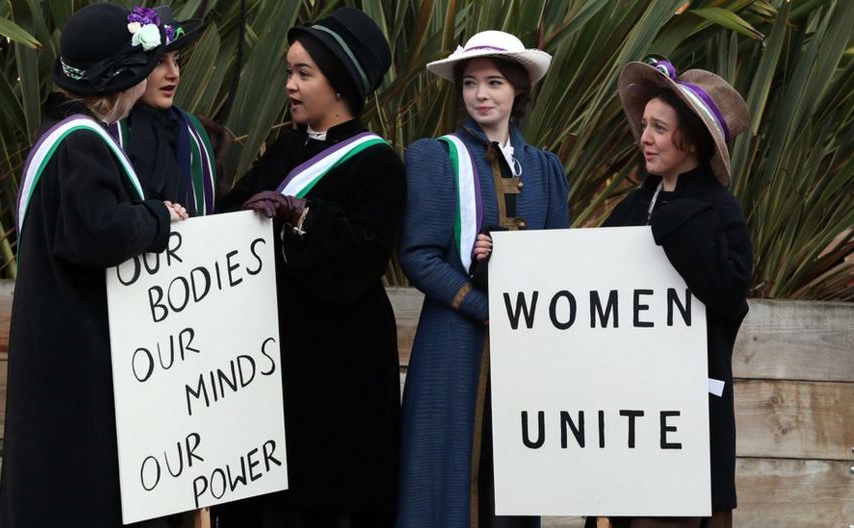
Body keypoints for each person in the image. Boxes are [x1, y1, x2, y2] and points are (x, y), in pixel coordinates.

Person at [210, 7, 404, 527]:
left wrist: (304, 216)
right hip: (276, 366)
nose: (290, 86)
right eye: (288, 73)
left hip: (341, 369)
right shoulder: (286, 149)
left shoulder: (378, 162)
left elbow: (363, 257)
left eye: (304, 74)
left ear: (339, 83)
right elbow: (234, 217)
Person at [0, 4, 188, 526]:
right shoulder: (82, 144)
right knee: (76, 487)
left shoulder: (60, 134)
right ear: (124, 80)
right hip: (73, 353)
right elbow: (96, 232)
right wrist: (155, 219)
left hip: (53, 341)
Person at [397, 30, 570, 528]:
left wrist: (514, 260)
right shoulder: (436, 157)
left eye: (494, 82)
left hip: (524, 349)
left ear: (518, 91)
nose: (481, 94)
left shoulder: (546, 169)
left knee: (513, 474)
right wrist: (482, 306)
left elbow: (559, 259)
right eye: (470, 83)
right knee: (444, 474)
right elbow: (419, 255)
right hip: (453, 341)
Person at [592, 56, 752, 528]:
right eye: (645, 126)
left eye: (659, 128)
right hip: (628, 415)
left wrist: (674, 223)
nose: (644, 137)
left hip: (691, 417)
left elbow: (728, 295)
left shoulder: (720, 210)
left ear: (693, 142)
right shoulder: (630, 206)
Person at [112, 6, 227, 217]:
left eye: (176, 60)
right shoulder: (109, 133)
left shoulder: (200, 134)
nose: (173, 73)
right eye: (159, 63)